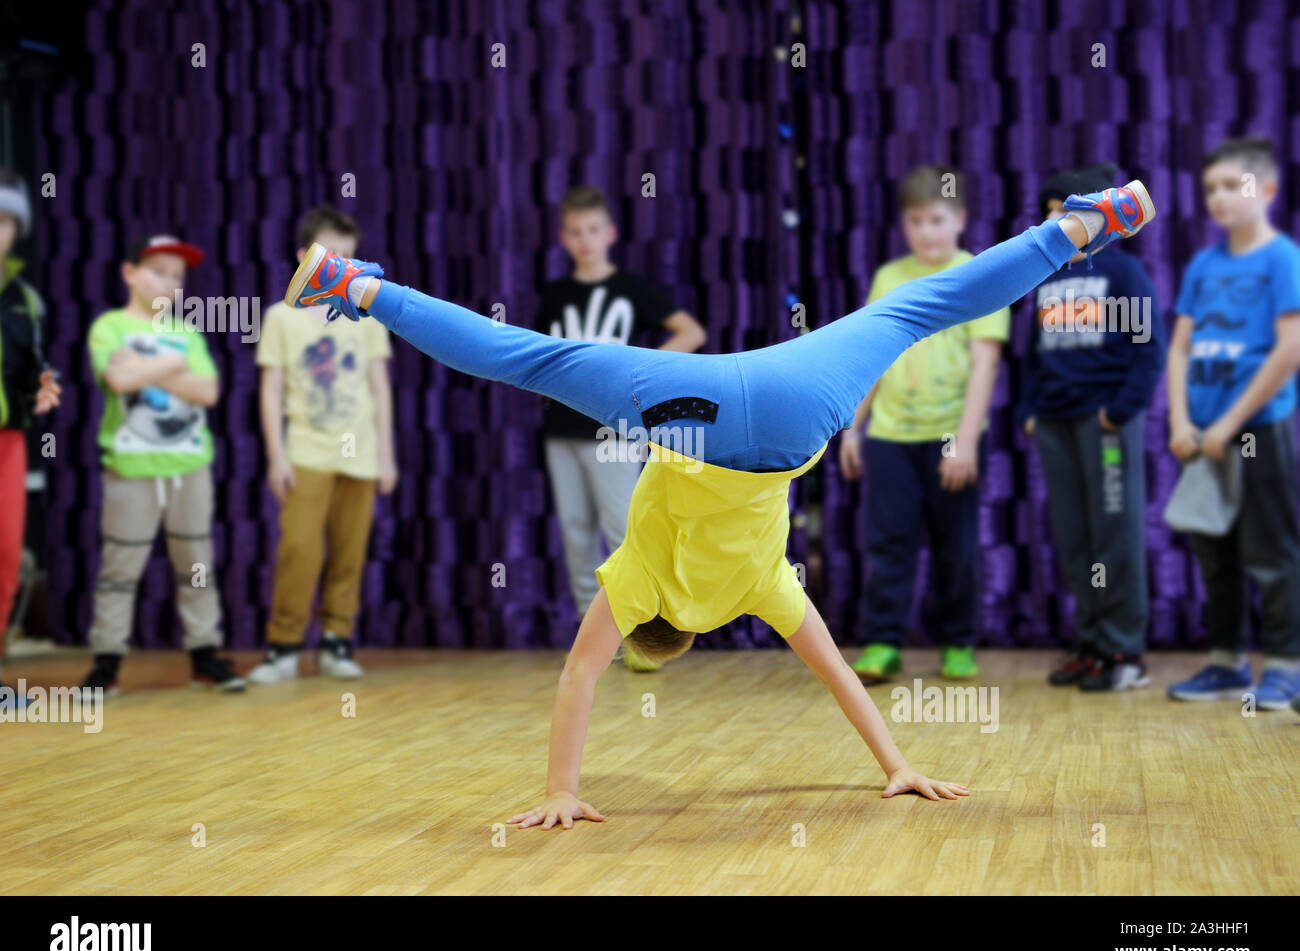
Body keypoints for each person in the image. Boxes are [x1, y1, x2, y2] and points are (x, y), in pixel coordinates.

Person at [285, 180, 1156, 826]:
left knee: (914, 308)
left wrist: (899, 764)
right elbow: (577, 677)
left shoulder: (761, 590)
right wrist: (560, 788)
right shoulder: (633, 582)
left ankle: (1072, 228)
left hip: (791, 415)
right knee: (531, 358)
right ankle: (357, 286)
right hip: (694, 405)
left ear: (688, 631)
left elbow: (845, 680)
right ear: (645, 622)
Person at [839, 166, 1009, 682]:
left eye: (936, 219)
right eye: (915, 221)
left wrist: (965, 440)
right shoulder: (889, 277)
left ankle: (958, 642)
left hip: (950, 438)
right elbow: (873, 357)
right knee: (888, 543)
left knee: (956, 547)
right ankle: (883, 642)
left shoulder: (980, 272)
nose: (926, 231)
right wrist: (853, 425)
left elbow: (985, 362)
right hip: (891, 437)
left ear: (960, 219)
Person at [532, 186, 706, 664]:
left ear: (609, 233)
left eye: (592, 230)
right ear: (564, 238)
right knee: (575, 533)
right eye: (574, 232)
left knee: (625, 531)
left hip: (613, 430)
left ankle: (639, 636)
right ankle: (597, 645)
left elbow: (691, 331)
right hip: (561, 430)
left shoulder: (632, 288)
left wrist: (639, 375)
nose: (585, 241)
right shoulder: (555, 294)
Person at [1017, 163, 1165, 690]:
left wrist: (1118, 413)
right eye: (1050, 216)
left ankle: (1124, 651)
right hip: (1055, 425)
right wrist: (1030, 413)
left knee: (1115, 534)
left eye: (1067, 215)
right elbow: (1033, 356)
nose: (1057, 227)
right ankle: (1091, 644)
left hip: (1105, 427)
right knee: (1076, 538)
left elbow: (1150, 352)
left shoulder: (1124, 274)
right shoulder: (1046, 279)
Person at [1165, 137, 1300, 710]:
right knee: (1212, 549)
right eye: (1210, 188)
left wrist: (1229, 423)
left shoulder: (1282, 258)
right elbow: (1178, 350)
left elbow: (1290, 348)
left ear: (1266, 190)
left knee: (1271, 550)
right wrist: (1179, 419)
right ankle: (1225, 662)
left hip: (1256, 430)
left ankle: (1287, 669)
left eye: (1231, 185)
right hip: (1201, 436)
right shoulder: (1204, 264)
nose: (1217, 197)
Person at [82, 235, 244, 695]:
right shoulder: (109, 326)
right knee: (120, 567)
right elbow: (117, 377)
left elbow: (209, 392)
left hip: (189, 466)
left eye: (178, 276)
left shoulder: (186, 334)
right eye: (159, 271)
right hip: (131, 467)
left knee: (196, 564)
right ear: (129, 273)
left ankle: (204, 656)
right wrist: (175, 368)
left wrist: (153, 364)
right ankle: (107, 662)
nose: (170, 283)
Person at [249, 206, 396, 684]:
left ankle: (337, 640)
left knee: (350, 553)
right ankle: (283, 646)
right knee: (300, 549)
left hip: (362, 455)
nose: (343, 269)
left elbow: (380, 387)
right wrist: (276, 457)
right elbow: (270, 390)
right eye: (332, 258)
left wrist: (388, 456)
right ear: (304, 258)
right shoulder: (280, 318)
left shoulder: (367, 315)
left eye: (350, 260)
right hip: (306, 454)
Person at [0, 170, 60, 705]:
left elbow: (37, 366)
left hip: (10, 439)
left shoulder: (24, 298)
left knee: (5, 553)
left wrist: (43, 386)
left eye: (4, 220)